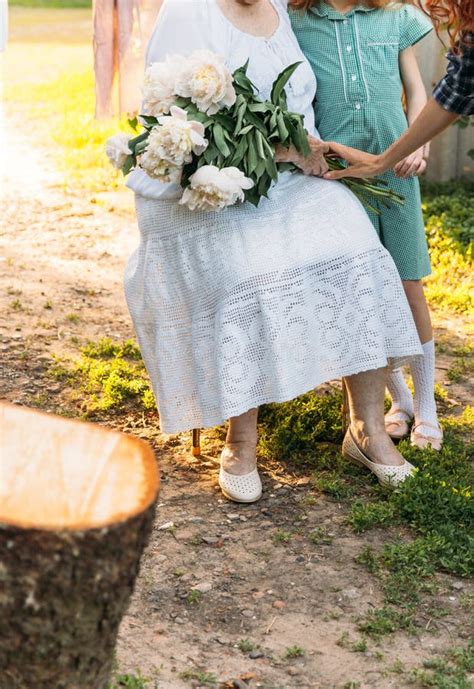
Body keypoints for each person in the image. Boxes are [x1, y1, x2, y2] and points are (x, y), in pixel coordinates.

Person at [124, 0, 423, 504]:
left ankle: (367, 429)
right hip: (213, 193)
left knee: (357, 245)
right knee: (248, 269)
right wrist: (282, 149)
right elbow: (168, 126)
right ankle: (241, 442)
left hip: (291, 183)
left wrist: (309, 150)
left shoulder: (284, 11)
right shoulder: (188, 12)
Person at [290, 0, 443, 450]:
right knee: (361, 288)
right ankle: (399, 402)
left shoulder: (394, 16)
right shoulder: (297, 21)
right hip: (338, 174)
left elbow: (416, 92)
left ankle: (428, 408)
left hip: (395, 167)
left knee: (407, 283)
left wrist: (420, 144)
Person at [324, 0, 473, 177]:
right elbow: (458, 88)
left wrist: (406, 151)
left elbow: (448, 91)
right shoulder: (297, 21)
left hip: (394, 154)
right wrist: (384, 160)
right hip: (336, 154)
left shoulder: (394, 16)